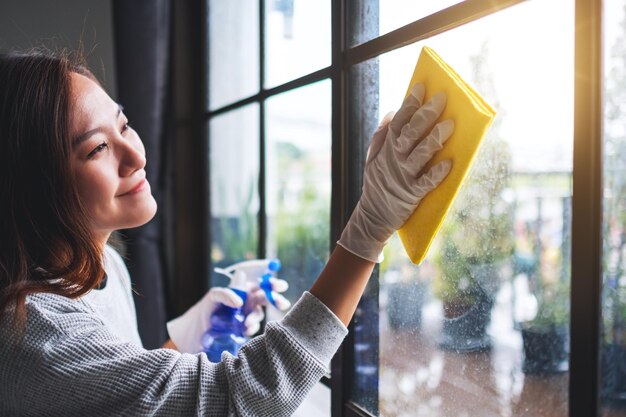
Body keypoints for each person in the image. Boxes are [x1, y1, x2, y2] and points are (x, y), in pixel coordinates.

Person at [0, 49, 453, 416]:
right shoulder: (31, 331)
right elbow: (244, 399)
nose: (135, 154)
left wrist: (184, 342)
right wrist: (368, 229)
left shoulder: (102, 267)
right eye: (97, 147)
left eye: (123, 125)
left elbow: (116, 398)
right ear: (34, 185)